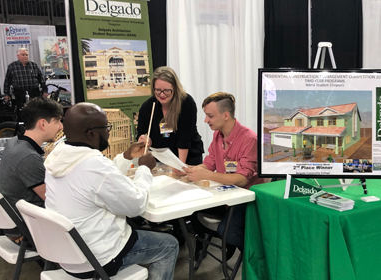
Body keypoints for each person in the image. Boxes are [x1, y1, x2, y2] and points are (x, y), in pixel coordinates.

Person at [44, 102, 179, 280]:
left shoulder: (58, 157)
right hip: (97, 258)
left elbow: (103, 180)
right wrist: (144, 170)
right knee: (169, 245)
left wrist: (126, 157)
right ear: (91, 134)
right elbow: (136, 205)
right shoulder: (94, 167)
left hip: (67, 253)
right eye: (106, 127)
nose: (108, 131)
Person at [184, 92, 268, 253]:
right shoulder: (218, 135)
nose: (205, 120)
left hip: (247, 199)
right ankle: (229, 245)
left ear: (226, 115)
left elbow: (243, 180)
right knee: (192, 214)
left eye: (209, 116)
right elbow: (209, 163)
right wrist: (189, 170)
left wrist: (206, 175)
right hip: (226, 196)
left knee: (227, 232)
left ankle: (257, 252)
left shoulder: (249, 139)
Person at [0, 97, 63, 243]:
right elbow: (53, 200)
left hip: (16, 221)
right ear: (42, 123)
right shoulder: (27, 157)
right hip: (26, 229)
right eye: (57, 121)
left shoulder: (15, 142)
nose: (61, 127)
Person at [137, 66, 204, 173]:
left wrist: (180, 166)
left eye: (167, 91)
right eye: (158, 90)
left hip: (188, 157)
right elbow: (142, 132)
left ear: (175, 88)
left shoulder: (186, 103)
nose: (162, 95)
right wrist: (144, 138)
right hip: (160, 160)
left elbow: (184, 139)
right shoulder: (148, 106)